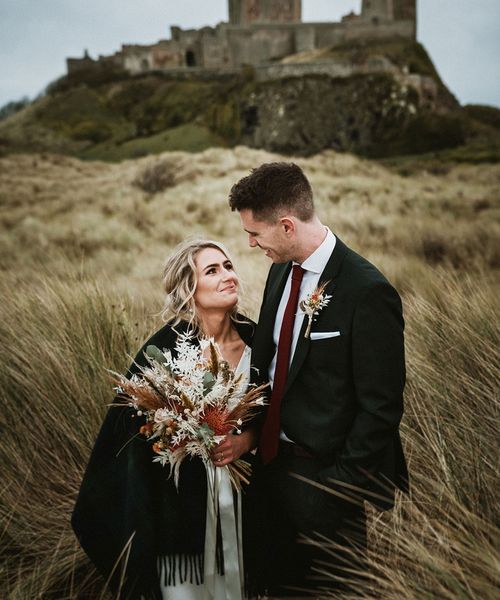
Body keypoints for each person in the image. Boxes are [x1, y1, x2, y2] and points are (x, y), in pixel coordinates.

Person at [229, 162, 408, 595]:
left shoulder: (367, 291)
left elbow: (381, 406)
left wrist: (337, 488)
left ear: (287, 225)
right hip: (268, 474)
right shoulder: (279, 270)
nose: (250, 244)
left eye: (255, 233)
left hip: (326, 483)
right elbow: (269, 370)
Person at [72, 239, 260, 600]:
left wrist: (246, 440)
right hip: (179, 513)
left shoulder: (259, 341)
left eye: (228, 266)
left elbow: (277, 413)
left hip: (249, 502)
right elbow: (129, 435)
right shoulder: (163, 351)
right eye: (212, 270)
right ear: (189, 289)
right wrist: (177, 440)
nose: (228, 276)